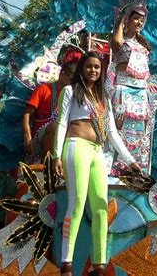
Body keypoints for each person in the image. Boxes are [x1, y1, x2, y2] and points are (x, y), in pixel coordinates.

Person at [53, 52, 142, 276]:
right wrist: (56, 155)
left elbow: (112, 132)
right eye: (89, 66)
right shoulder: (71, 91)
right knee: (77, 203)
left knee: (101, 207)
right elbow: (62, 123)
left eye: (97, 67)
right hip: (76, 146)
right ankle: (67, 263)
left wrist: (131, 162)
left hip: (97, 152)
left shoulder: (104, 99)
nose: (93, 70)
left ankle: (99, 264)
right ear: (82, 68)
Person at [107, 0, 154, 174]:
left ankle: (136, 170)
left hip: (142, 94)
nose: (139, 23)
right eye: (135, 18)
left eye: (142, 20)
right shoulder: (122, 41)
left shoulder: (143, 45)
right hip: (122, 90)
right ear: (128, 19)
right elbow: (116, 44)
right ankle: (115, 169)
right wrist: (120, 22)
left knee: (139, 133)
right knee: (118, 130)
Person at [22, 52, 80, 162]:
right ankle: (49, 167)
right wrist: (27, 136)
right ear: (62, 74)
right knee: (55, 127)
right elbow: (27, 114)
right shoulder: (43, 89)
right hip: (40, 137)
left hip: (64, 134)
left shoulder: (73, 94)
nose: (74, 84)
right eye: (72, 80)